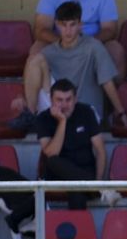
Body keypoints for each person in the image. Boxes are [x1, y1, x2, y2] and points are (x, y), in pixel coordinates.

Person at [10, 2, 127, 135]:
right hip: (57, 108)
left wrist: (121, 112)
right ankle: (30, 116)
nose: (68, 30)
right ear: (57, 25)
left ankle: (41, 121)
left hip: (84, 110)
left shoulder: (94, 47)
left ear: (80, 25)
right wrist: (21, 97)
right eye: (63, 25)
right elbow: (32, 78)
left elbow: (107, 82)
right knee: (35, 59)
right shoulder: (50, 52)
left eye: (72, 25)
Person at [33, 0, 124, 78]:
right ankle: (38, 91)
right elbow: (41, 29)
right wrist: (64, 43)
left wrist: (86, 44)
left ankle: (111, 90)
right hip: (59, 42)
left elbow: (111, 30)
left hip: (93, 42)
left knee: (116, 49)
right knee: (36, 49)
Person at [35, 78, 114, 211]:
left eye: (68, 99)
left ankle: (93, 187)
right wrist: (62, 122)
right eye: (59, 100)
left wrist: (99, 179)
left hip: (85, 170)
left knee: (77, 190)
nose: (64, 104)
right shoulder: (43, 118)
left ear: (75, 99)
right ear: (51, 100)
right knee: (53, 160)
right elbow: (51, 153)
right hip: (57, 175)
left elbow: (100, 150)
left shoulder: (86, 112)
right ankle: (97, 189)